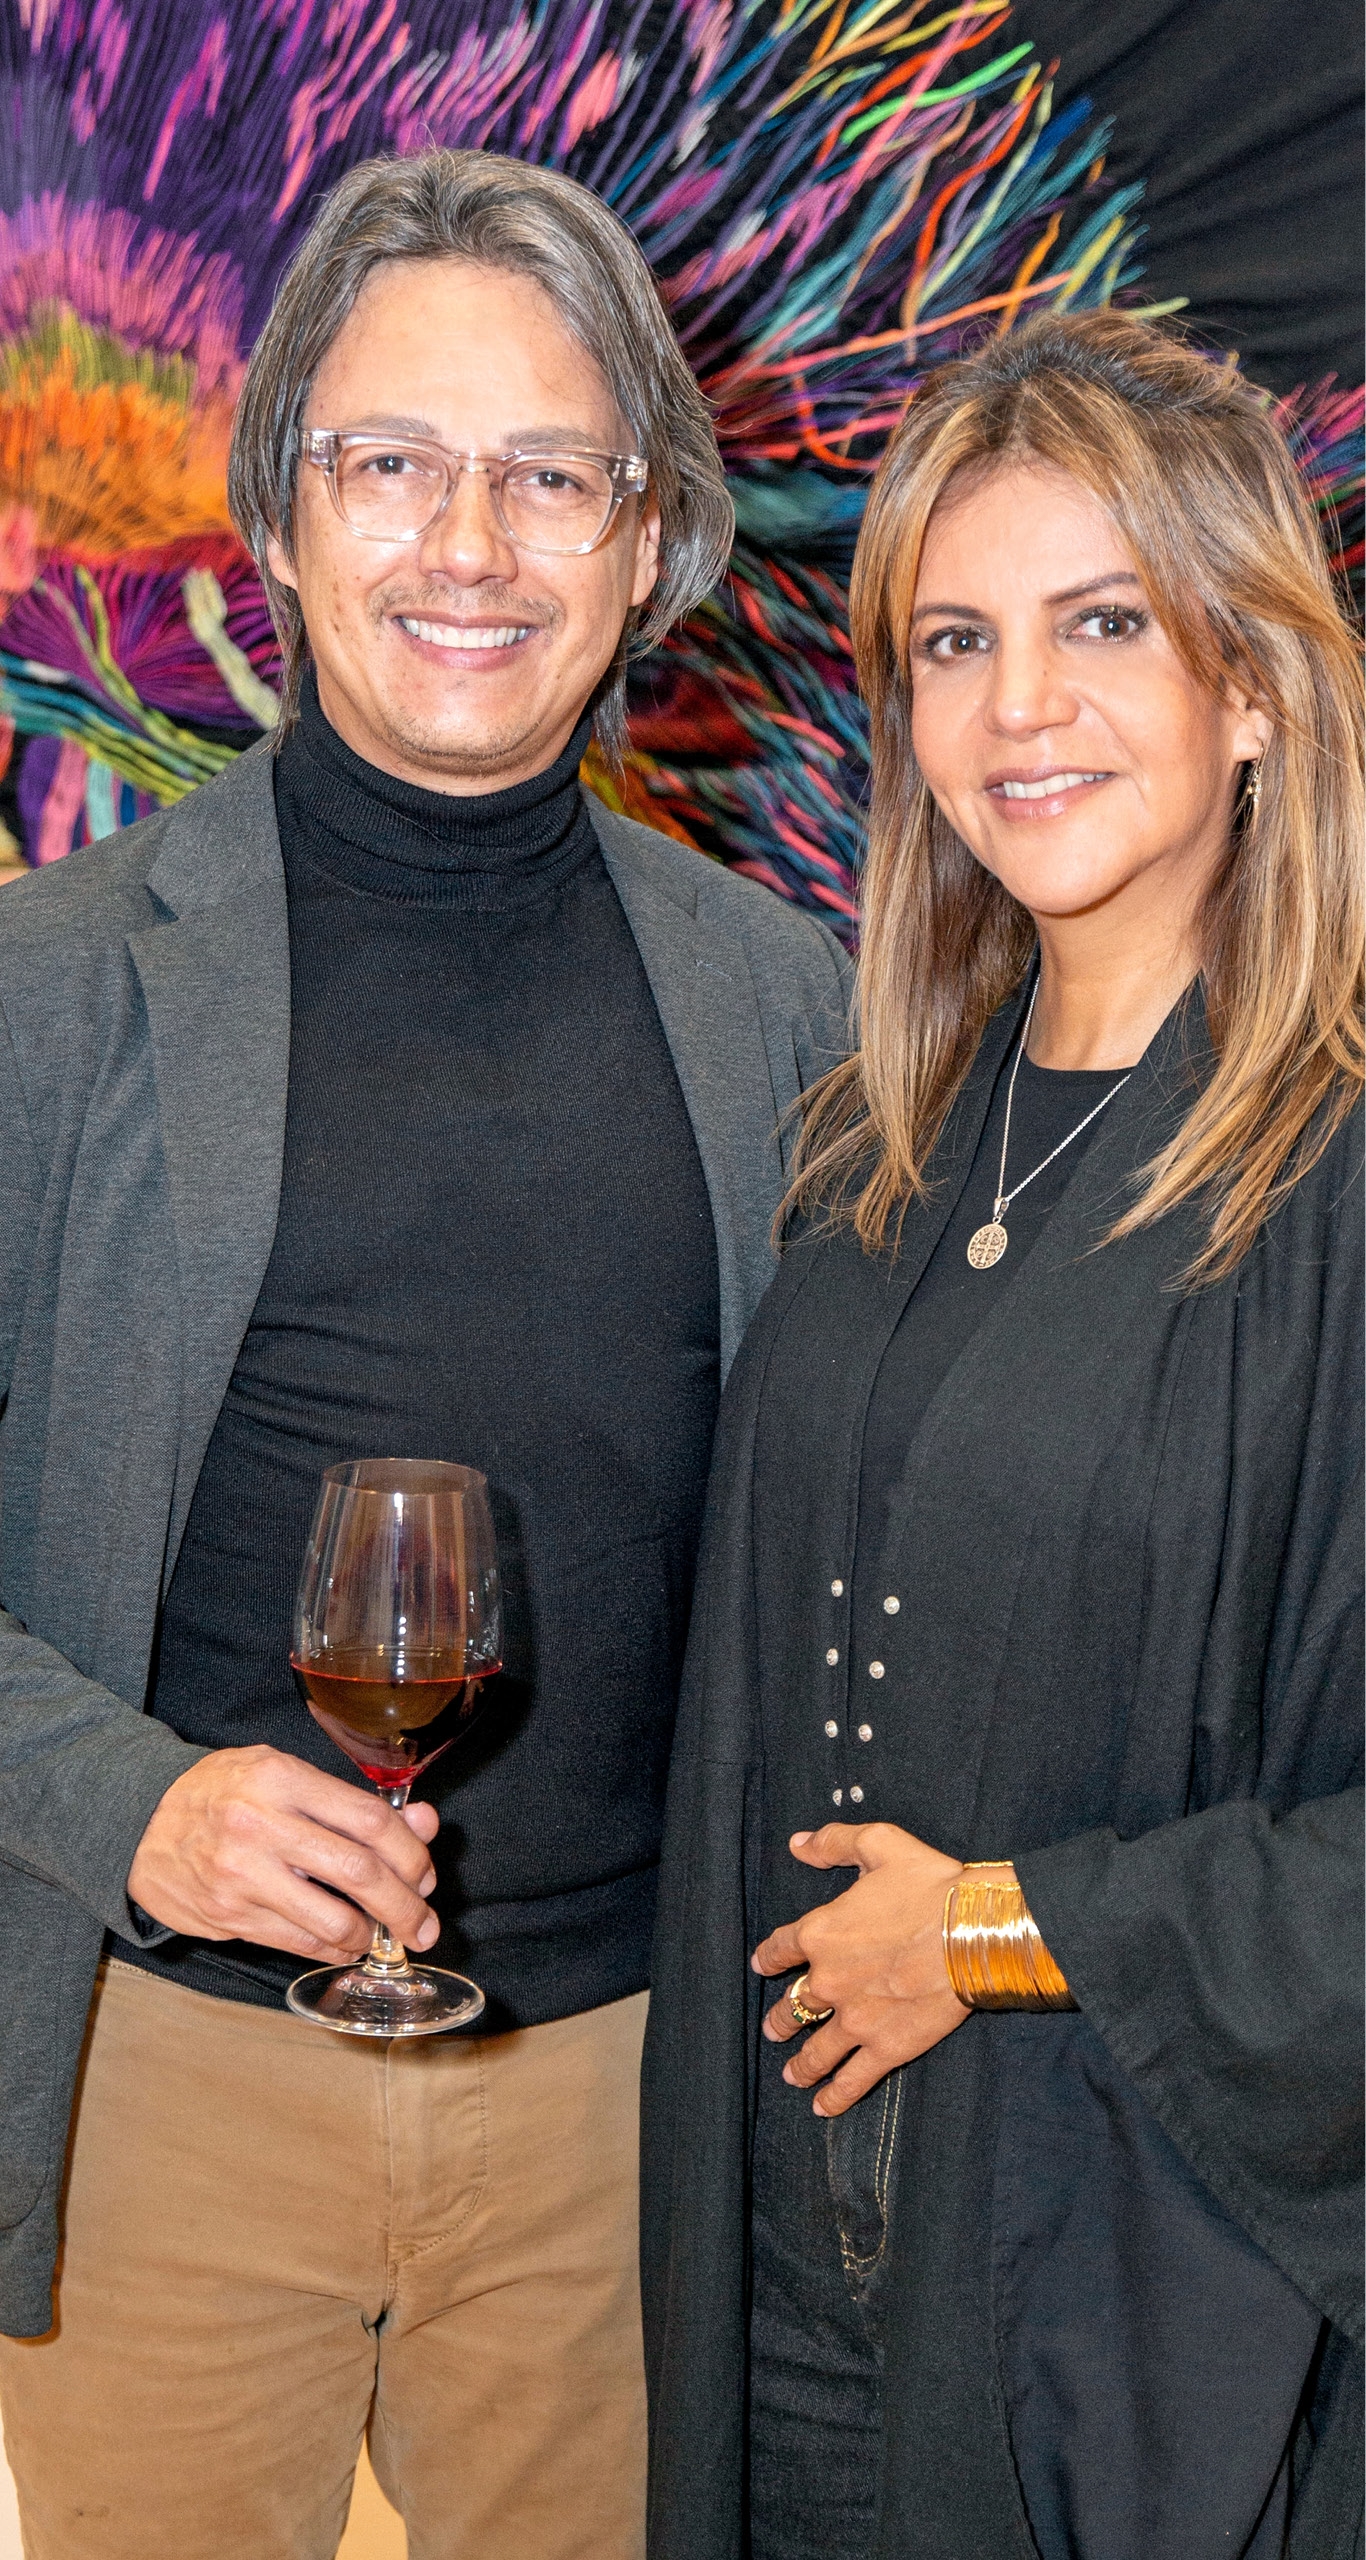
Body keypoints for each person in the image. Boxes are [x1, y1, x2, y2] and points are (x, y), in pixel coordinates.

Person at [0, 149, 849, 2560]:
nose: (468, 543)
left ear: (645, 540)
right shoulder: (47, 992)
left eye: (550, 474)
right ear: (280, 510)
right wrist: (130, 1800)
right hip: (167, 2074)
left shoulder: (778, 1000)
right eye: (391, 461)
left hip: (628, 2107)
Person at [641, 310, 1363, 2560]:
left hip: (1130, 2343)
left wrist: (996, 1927)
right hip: (786, 2299)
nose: (1016, 706)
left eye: (1101, 623)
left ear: (1252, 687)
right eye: (954, 641)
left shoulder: (1336, 1180)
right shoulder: (871, 1149)